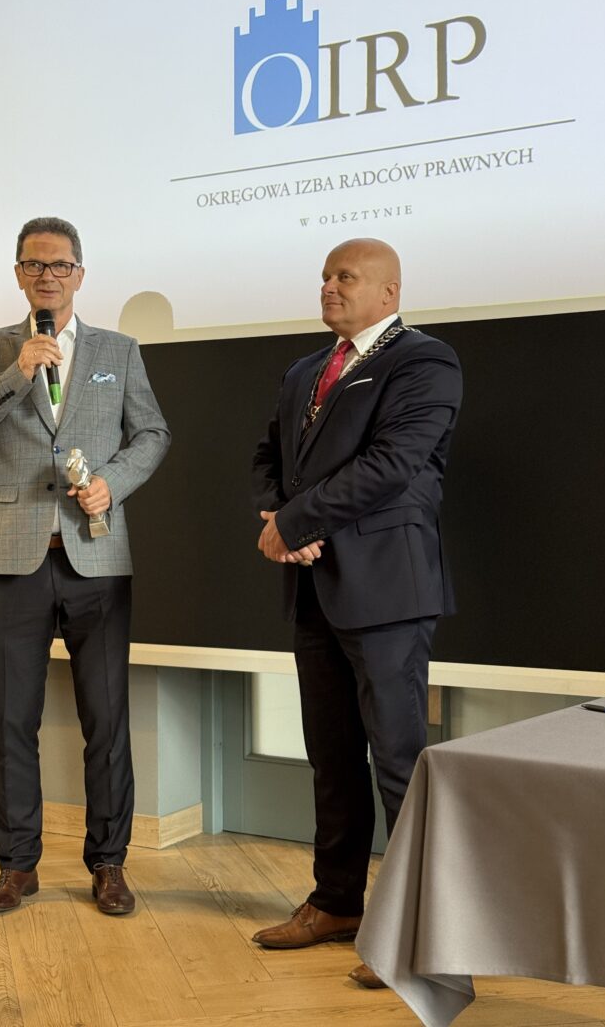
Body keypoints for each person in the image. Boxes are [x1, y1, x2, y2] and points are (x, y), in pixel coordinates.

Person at [0, 216, 170, 916]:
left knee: (107, 720)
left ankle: (109, 864)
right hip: (13, 559)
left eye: (60, 265)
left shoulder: (117, 351)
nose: (48, 276)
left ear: (80, 274)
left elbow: (152, 434)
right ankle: (17, 866)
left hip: (96, 554)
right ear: (18, 274)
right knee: (13, 720)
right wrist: (18, 371)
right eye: (35, 265)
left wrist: (112, 484)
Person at [251, 238, 462, 986]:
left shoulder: (426, 361)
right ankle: (337, 903)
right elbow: (270, 459)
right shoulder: (305, 369)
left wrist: (296, 522)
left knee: (401, 763)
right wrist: (279, 516)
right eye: (324, 276)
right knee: (332, 758)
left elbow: (391, 465)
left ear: (389, 291)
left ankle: (419, 936)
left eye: (345, 276)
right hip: (313, 586)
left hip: (387, 592)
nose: (329, 287)